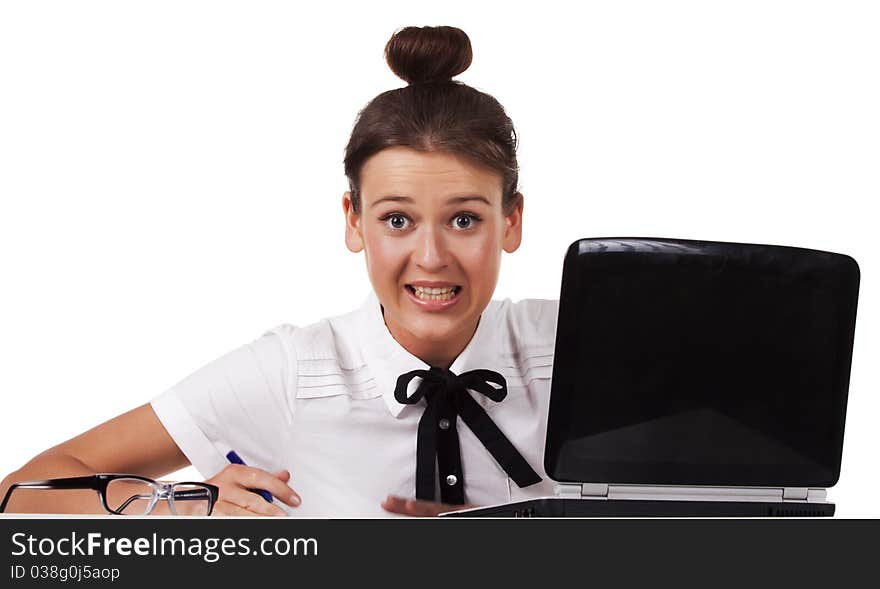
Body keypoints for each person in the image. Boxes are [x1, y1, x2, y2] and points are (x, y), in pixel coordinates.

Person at [0, 25, 559, 517]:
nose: (432, 256)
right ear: (354, 221)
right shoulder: (295, 373)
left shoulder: (571, 347)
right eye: (396, 219)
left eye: (464, 219)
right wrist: (174, 509)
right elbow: (20, 492)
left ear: (511, 220)